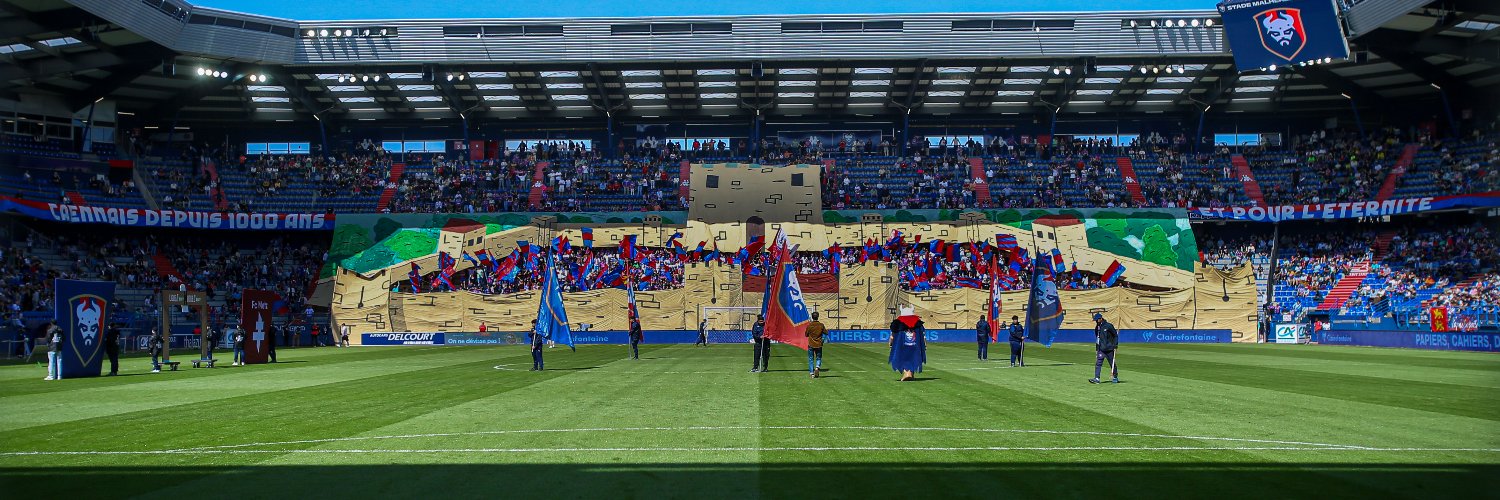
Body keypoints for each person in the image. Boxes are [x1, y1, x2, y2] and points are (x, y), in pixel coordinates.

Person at [887, 306, 926, 381]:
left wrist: (891, 343)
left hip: (902, 346)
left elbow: (892, 336)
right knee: (913, 358)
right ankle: (911, 374)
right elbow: (923, 336)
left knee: (904, 359)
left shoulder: (897, 324)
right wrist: (924, 345)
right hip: (915, 346)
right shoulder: (918, 324)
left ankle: (907, 374)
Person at [1090, 313, 1119, 384]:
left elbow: (1115, 335)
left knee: (1112, 364)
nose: (1096, 321)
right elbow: (1098, 338)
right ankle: (1097, 378)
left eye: (1097, 320)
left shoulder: (1109, 326)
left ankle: (1115, 377)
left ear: (1101, 319)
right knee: (1098, 363)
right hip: (1101, 349)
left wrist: (1115, 345)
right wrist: (1097, 349)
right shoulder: (1097, 328)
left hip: (1109, 349)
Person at [805, 312, 827, 378]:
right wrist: (822, 338)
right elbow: (826, 332)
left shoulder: (809, 325)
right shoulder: (821, 325)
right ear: (818, 317)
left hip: (811, 344)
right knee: (818, 358)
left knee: (811, 359)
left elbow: (806, 335)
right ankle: (817, 367)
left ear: (812, 317)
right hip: (819, 344)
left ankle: (812, 373)